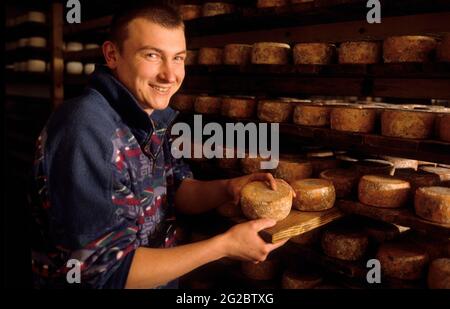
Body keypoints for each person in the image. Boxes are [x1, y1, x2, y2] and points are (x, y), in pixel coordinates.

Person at [29, 2, 287, 289]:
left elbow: (173, 190)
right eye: (152, 55)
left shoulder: (146, 114)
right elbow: (105, 274)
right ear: (112, 55)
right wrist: (224, 246)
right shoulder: (85, 132)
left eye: (178, 58)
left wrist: (228, 188)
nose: (170, 75)